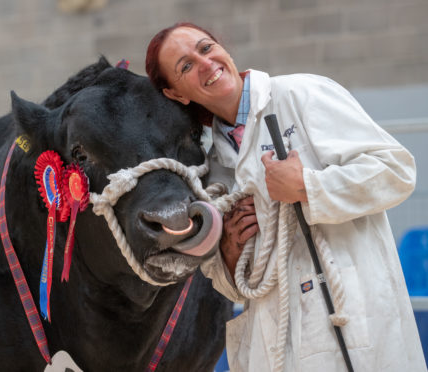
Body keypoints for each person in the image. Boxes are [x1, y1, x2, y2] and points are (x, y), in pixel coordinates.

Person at [146, 22, 426, 372]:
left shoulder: (299, 95)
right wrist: (231, 254)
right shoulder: (213, 167)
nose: (205, 64)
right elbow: (235, 288)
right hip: (275, 346)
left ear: (223, 50)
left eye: (206, 48)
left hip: (351, 327)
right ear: (175, 94)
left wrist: (308, 187)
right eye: (185, 66)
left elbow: (396, 171)